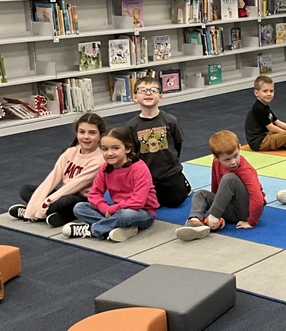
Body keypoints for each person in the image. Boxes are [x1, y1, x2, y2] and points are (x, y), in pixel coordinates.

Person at [8, 112, 106, 227]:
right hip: (64, 192)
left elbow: (72, 186)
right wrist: (36, 203)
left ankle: (52, 214)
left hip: (82, 199)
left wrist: (43, 205)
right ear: (77, 133)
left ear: (100, 136)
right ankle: (47, 213)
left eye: (92, 133)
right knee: (26, 190)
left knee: (65, 201)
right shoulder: (70, 152)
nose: (86, 137)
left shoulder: (99, 161)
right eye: (82, 132)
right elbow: (51, 179)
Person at [63, 127, 158, 242]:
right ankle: (117, 228)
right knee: (79, 208)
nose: (109, 153)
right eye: (105, 149)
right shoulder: (105, 167)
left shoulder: (139, 168)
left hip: (142, 212)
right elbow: (94, 194)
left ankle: (93, 229)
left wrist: (112, 210)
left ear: (127, 149)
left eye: (116, 148)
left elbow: (138, 201)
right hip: (115, 210)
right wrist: (105, 208)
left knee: (125, 215)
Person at [176, 130, 265, 241]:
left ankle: (213, 219)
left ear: (239, 147)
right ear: (216, 158)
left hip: (245, 211)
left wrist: (251, 221)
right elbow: (216, 186)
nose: (233, 162)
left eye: (235, 156)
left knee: (229, 179)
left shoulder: (245, 170)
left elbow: (257, 197)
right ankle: (195, 221)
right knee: (200, 194)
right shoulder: (216, 163)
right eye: (227, 159)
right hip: (229, 208)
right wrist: (218, 208)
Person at [126, 76, 191, 207]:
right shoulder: (131, 126)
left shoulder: (170, 120)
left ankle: (182, 183)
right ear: (134, 97)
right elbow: (132, 153)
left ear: (161, 96)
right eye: (142, 90)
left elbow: (178, 144)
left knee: (176, 201)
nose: (148, 93)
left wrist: (172, 164)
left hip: (170, 173)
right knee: (146, 204)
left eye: (153, 90)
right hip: (146, 176)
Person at [244, 75, 286, 151]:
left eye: (271, 91)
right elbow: (271, 127)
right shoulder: (258, 108)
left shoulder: (265, 107)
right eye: (265, 91)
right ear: (256, 93)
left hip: (266, 136)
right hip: (259, 142)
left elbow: (277, 122)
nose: (269, 94)